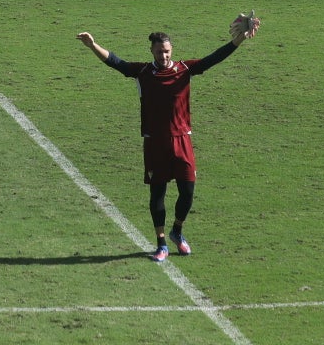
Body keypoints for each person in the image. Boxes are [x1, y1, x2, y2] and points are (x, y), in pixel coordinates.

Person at [76, 13, 260, 262]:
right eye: (159, 52)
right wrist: (92, 45)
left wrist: (240, 39)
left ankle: (177, 231)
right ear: (151, 51)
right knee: (157, 195)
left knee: (187, 192)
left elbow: (215, 58)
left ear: (171, 51)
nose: (163, 56)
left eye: (167, 51)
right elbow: (116, 62)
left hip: (182, 140)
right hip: (155, 143)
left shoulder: (184, 69)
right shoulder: (142, 72)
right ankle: (161, 242)